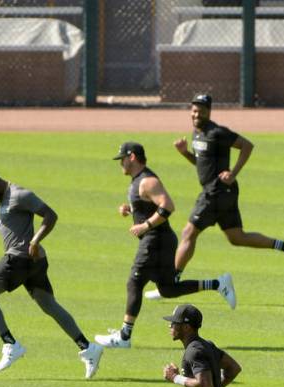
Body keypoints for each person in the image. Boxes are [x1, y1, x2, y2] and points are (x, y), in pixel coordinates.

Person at [145, 93, 284, 301]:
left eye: (201, 110)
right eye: (193, 110)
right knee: (237, 237)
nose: (196, 114)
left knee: (188, 233)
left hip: (217, 191)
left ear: (209, 111)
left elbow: (247, 146)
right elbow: (203, 164)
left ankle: (171, 281)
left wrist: (233, 172)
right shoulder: (196, 133)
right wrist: (185, 153)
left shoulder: (217, 132)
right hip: (221, 192)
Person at [94, 142, 236, 349]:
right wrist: (132, 210)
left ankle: (124, 336)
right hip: (160, 240)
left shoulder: (147, 181)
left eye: (122, 159)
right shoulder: (138, 182)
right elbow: (148, 205)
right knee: (168, 289)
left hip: (156, 240)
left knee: (134, 282)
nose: (120, 163)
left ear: (132, 157)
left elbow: (168, 206)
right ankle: (218, 284)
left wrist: (145, 225)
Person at [0, 170, 103, 378]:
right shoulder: (3, 198)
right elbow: (12, 233)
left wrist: (35, 240)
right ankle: (88, 348)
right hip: (33, 262)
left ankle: (10, 344)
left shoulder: (19, 195)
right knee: (49, 305)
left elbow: (51, 215)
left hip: (18, 260)